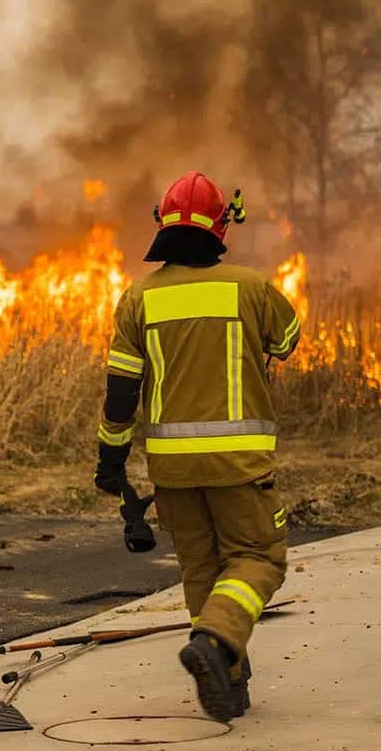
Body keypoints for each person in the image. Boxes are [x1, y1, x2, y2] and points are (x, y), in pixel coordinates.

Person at [93, 171, 301, 723]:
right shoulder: (251, 289)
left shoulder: (138, 298)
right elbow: (287, 341)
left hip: (171, 469)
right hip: (239, 463)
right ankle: (214, 640)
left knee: (203, 571)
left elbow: (120, 391)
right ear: (222, 224)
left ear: (163, 223)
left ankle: (229, 688)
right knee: (259, 559)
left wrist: (110, 461)